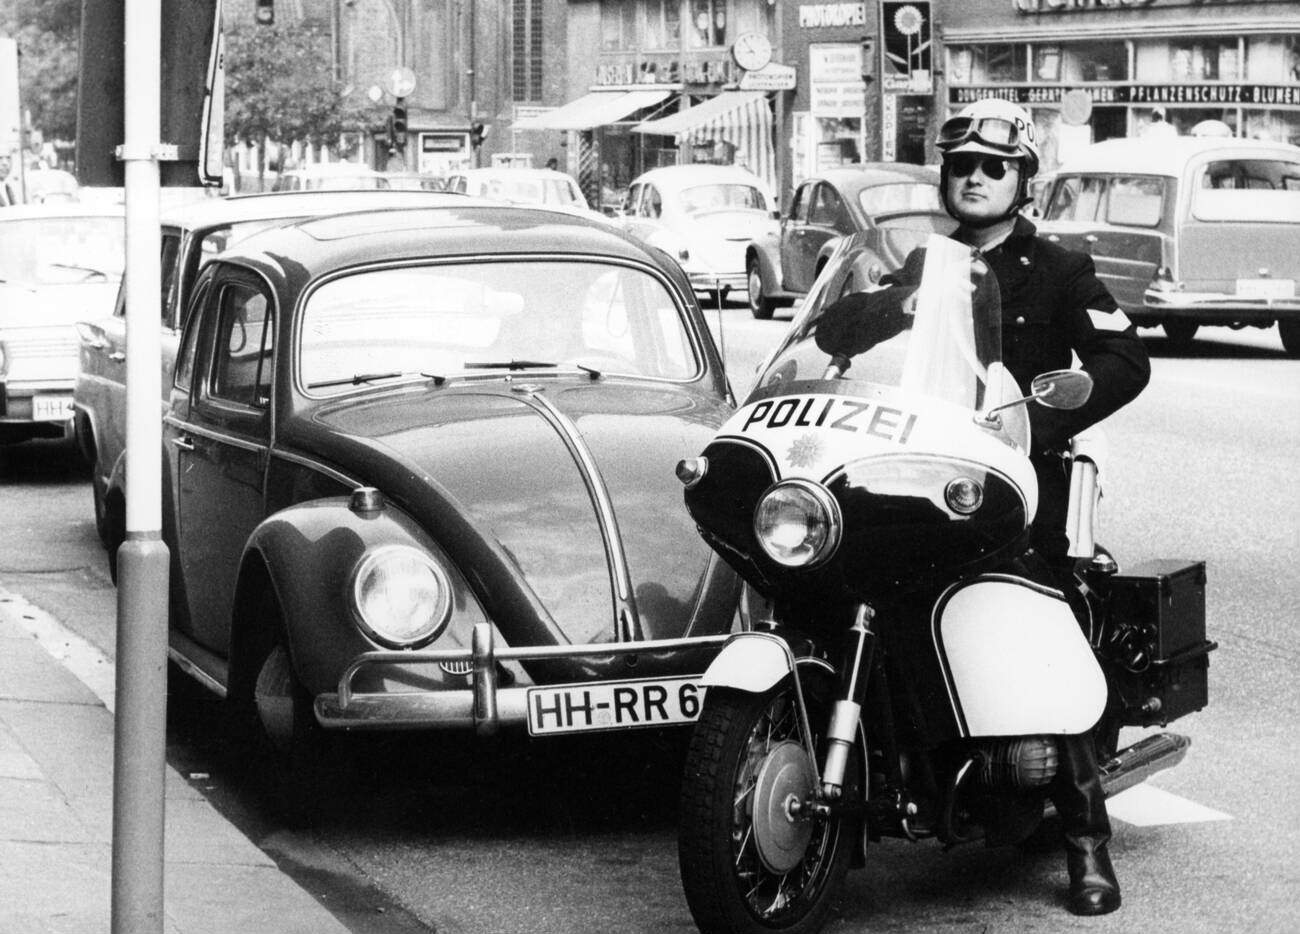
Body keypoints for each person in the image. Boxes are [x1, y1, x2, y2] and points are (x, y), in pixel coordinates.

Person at [934, 96, 1149, 918]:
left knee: (1038, 632)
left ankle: (1087, 841)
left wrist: (1043, 414)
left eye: (995, 167)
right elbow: (848, 339)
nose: (977, 178)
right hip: (924, 477)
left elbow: (1122, 357)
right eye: (963, 167)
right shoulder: (924, 263)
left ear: (1023, 178)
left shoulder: (1059, 267)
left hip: (1018, 489)